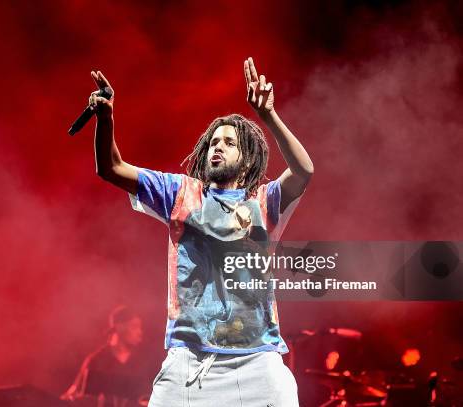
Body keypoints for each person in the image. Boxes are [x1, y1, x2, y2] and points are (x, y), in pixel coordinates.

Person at [87, 57, 313, 407]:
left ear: (249, 160)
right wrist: (106, 119)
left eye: (229, 142)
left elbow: (303, 170)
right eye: (213, 142)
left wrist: (268, 116)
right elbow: (111, 168)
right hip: (188, 365)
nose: (217, 147)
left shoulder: (265, 201)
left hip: (258, 364)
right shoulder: (179, 193)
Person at [60, 306, 150, 406]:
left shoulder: (142, 363)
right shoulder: (96, 360)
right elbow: (74, 395)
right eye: (134, 327)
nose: (140, 333)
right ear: (119, 327)